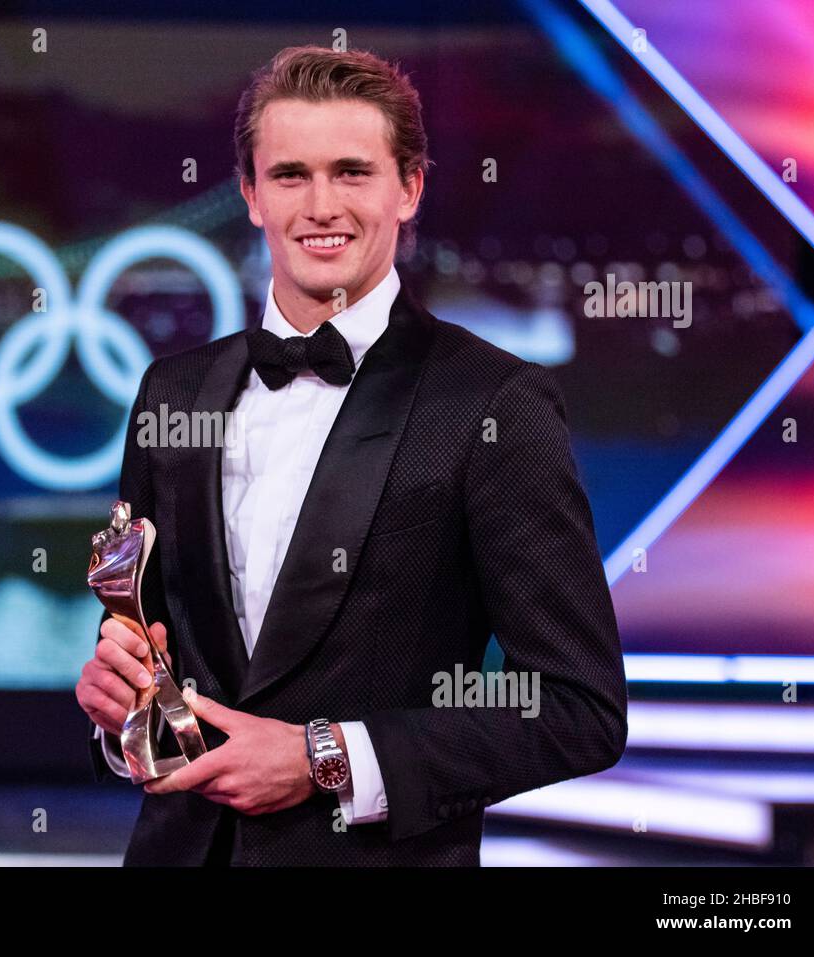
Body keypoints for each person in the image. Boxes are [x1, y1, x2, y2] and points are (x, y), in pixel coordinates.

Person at [75, 44, 628, 866]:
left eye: (352, 172)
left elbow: (580, 707)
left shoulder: (491, 404)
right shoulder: (173, 392)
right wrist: (119, 713)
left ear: (409, 187)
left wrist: (321, 758)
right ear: (252, 195)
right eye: (291, 174)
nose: (321, 205)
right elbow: (145, 654)